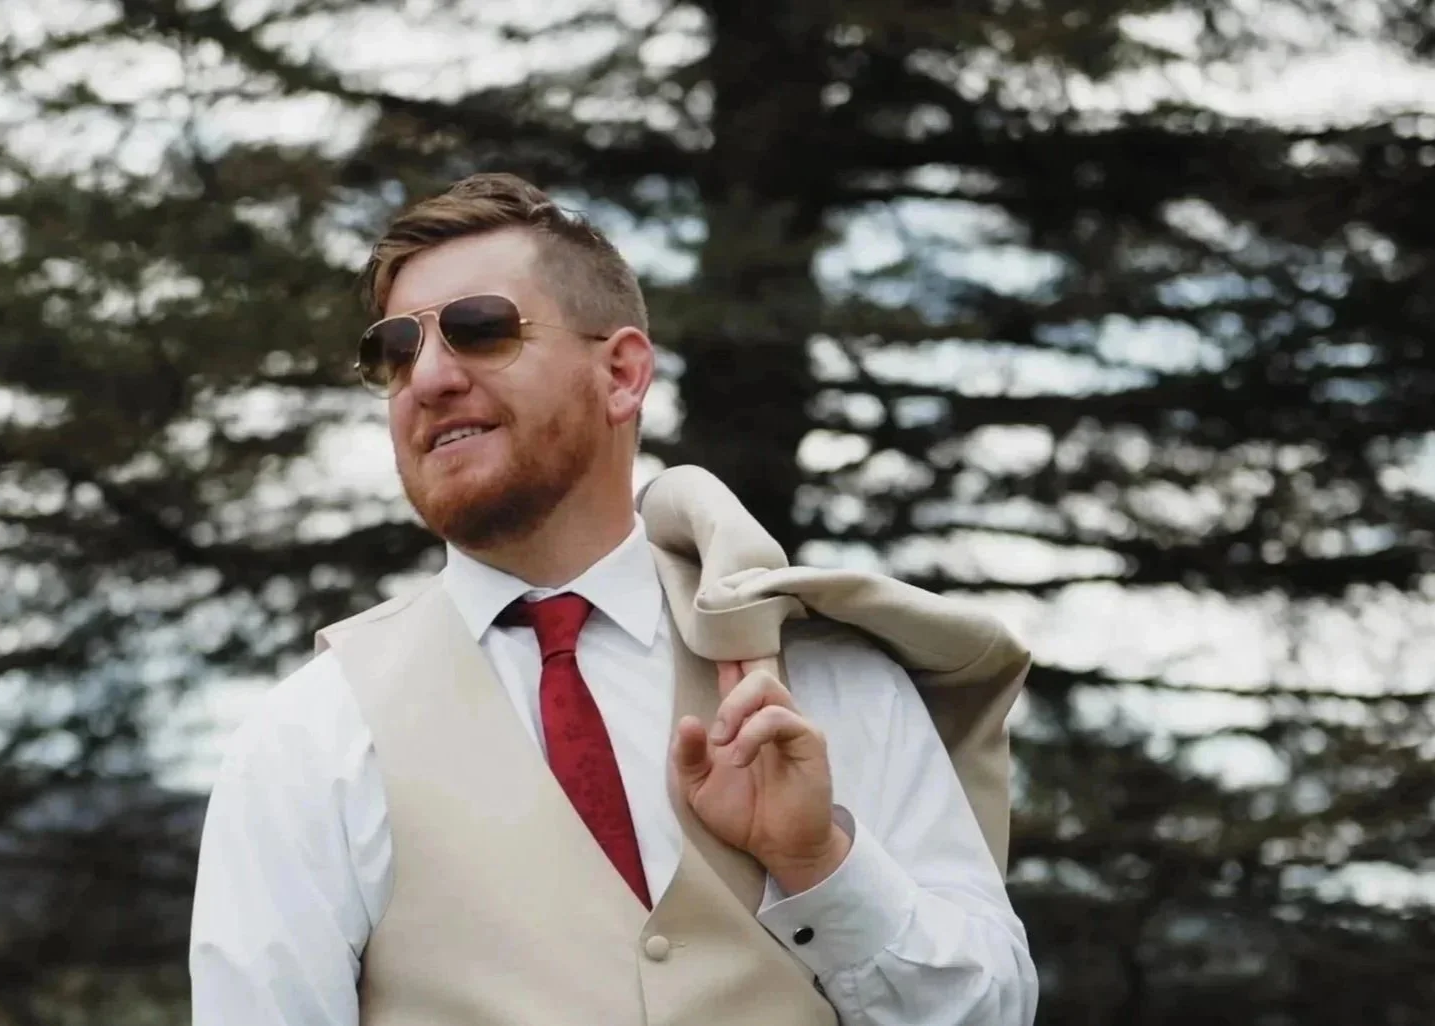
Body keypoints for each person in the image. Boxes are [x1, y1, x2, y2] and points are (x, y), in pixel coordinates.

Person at [187, 172, 1038, 1025]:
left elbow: (988, 1014)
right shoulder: (314, 735)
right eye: (395, 352)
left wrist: (821, 864)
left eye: (478, 330)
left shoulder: (828, 679)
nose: (429, 377)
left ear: (623, 373)